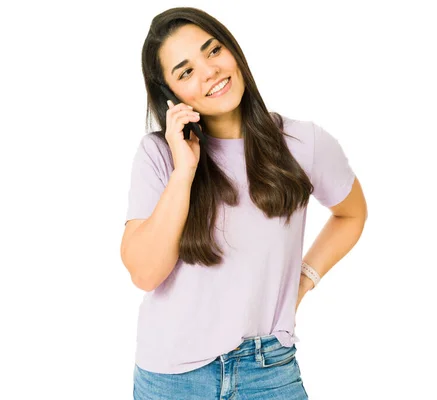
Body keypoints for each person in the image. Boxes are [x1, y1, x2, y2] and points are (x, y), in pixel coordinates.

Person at [121, 6, 368, 399]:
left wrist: (304, 280)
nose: (209, 72)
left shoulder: (305, 144)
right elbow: (145, 274)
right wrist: (184, 172)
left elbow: (351, 213)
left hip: (269, 369)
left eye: (213, 51)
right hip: (172, 378)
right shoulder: (159, 156)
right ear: (170, 96)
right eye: (185, 72)